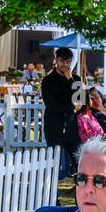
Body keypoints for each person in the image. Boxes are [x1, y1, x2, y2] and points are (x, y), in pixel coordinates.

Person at [42, 46, 82, 178]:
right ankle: (52, 196)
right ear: (56, 60)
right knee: (53, 163)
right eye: (62, 61)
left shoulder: (76, 79)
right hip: (54, 127)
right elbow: (52, 105)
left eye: (68, 61)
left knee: (80, 162)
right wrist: (71, 106)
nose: (65, 64)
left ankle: (80, 195)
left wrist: (70, 79)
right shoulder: (48, 81)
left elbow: (80, 103)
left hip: (72, 128)